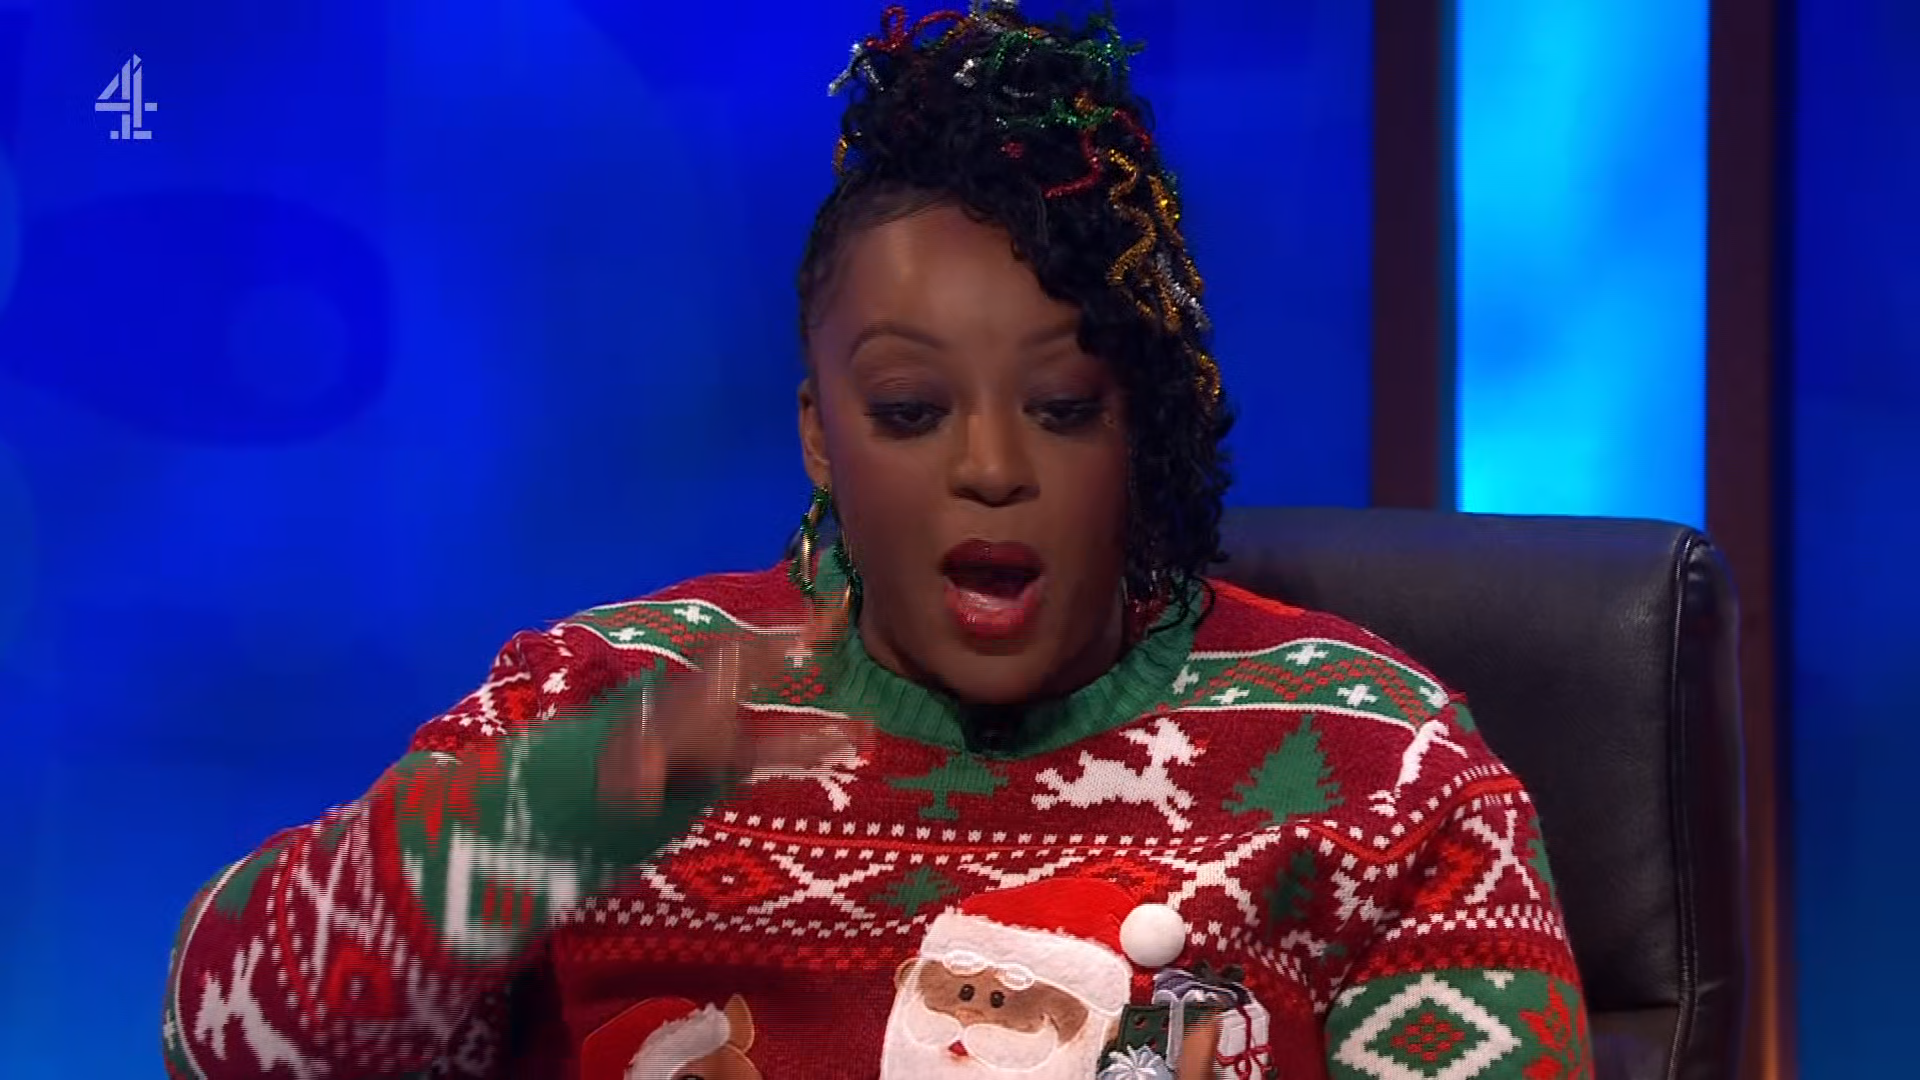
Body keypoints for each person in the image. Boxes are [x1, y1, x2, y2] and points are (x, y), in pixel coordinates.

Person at [161, 4, 1594, 1078]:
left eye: (1062, 408)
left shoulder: (1386, 768)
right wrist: (544, 824)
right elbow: (217, 1036)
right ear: (818, 435)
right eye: (910, 411)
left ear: (1140, 426)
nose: (990, 469)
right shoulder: (606, 706)